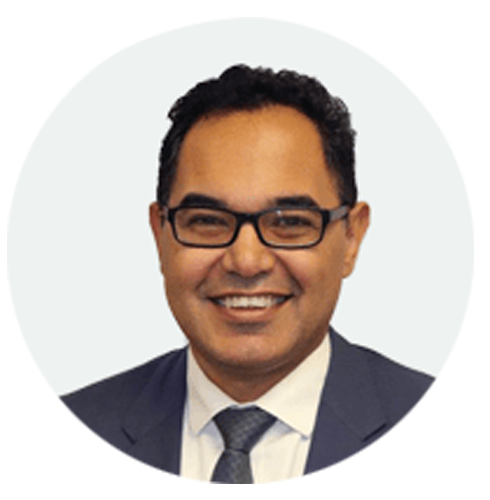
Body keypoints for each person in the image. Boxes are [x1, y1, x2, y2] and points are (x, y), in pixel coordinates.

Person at [59, 65, 473, 484]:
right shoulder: (60, 441)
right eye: (208, 220)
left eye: (289, 222)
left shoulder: (455, 440)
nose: (246, 261)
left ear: (351, 237)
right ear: (160, 233)